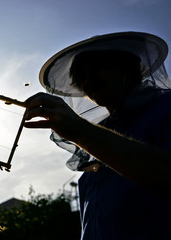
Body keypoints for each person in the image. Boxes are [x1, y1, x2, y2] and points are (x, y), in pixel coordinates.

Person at [23, 32, 171, 239]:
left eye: (99, 68)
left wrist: (82, 132)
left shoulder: (165, 108)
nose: (89, 80)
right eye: (81, 76)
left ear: (128, 66)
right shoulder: (99, 144)